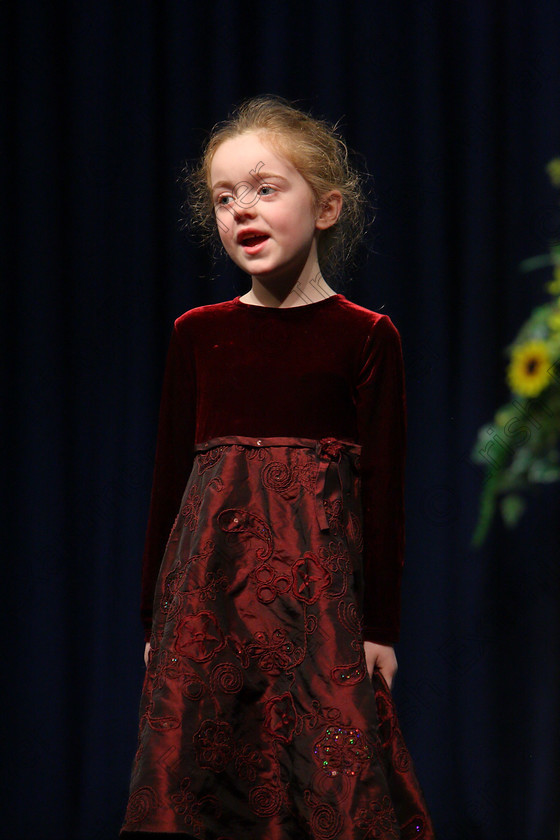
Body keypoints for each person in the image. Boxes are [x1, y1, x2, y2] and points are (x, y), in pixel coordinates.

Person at [121, 96, 434, 839]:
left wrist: (380, 628)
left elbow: (385, 494)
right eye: (224, 198)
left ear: (326, 207)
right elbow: (170, 484)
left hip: (317, 610)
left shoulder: (366, 337)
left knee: (330, 772)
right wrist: (153, 621)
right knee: (205, 775)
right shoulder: (198, 336)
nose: (241, 211)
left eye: (265, 188)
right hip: (209, 602)